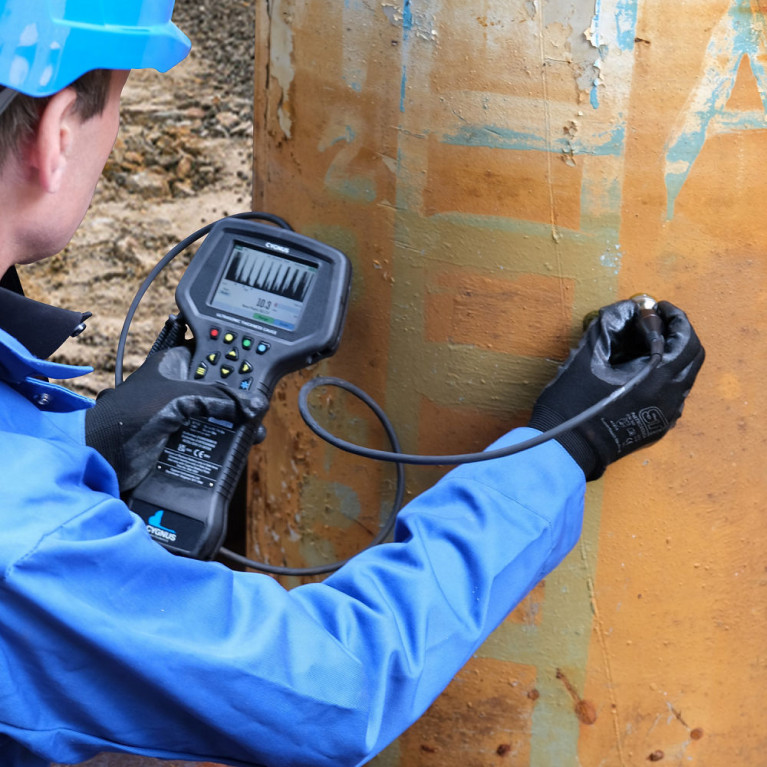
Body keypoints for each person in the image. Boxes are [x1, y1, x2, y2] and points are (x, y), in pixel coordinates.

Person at [0, 3, 705, 767]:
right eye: (120, 104)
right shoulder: (30, 544)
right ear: (58, 132)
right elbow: (329, 688)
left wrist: (80, 438)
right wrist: (562, 450)